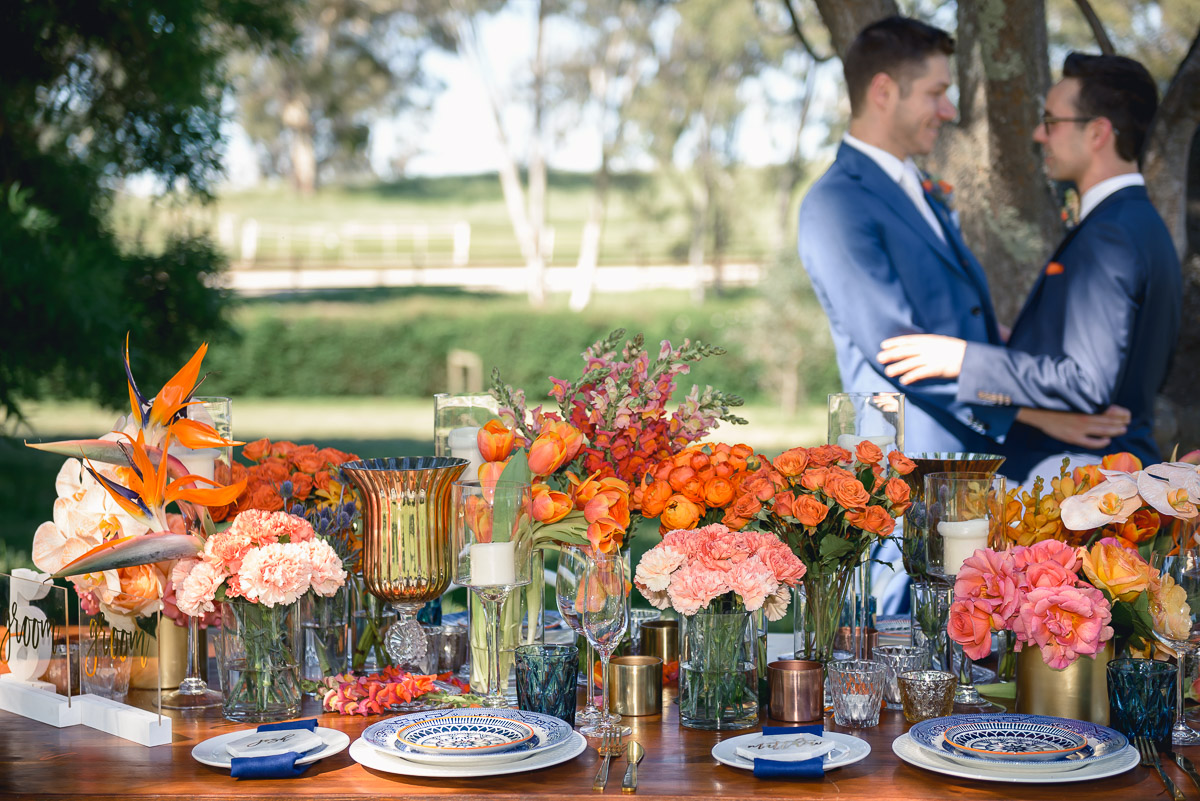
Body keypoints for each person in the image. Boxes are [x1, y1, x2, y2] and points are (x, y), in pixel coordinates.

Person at [876, 52, 1182, 484]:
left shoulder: (1109, 235)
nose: (1039, 134)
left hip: (1081, 484)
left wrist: (962, 360)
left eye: (1052, 121)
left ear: (1097, 133)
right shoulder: (1140, 224)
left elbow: (1085, 380)